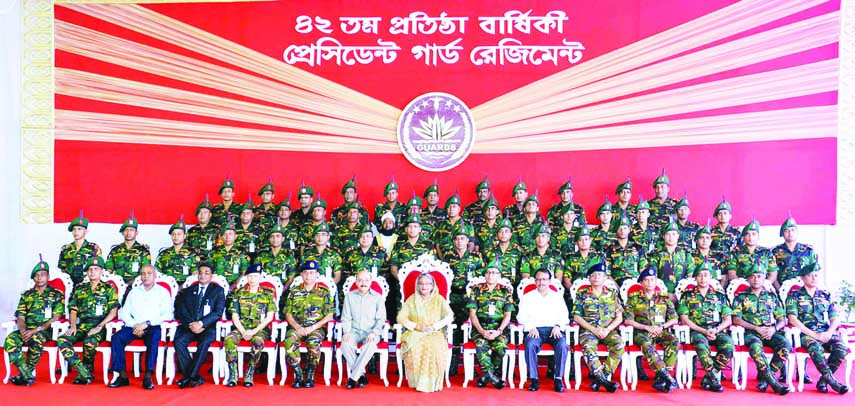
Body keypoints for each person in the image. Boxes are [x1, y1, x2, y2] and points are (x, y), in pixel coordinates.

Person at [785, 263, 849, 394]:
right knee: (815, 347)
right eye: (810, 275)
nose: (814, 278)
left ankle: (823, 381)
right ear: (802, 278)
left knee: (841, 348)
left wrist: (829, 332)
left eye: (816, 275)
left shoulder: (825, 295)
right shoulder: (794, 295)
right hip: (805, 333)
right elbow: (792, 319)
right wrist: (814, 335)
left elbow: (834, 317)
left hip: (824, 331)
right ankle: (833, 382)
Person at [108, 264, 173, 389]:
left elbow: (168, 315)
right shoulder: (134, 291)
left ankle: (148, 376)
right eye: (143, 273)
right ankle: (122, 376)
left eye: (149, 273)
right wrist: (135, 325)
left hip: (152, 326)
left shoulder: (162, 292)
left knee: (154, 338)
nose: (145, 276)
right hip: (134, 326)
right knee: (117, 338)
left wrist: (147, 323)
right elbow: (124, 312)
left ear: (154, 276)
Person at [57, 256, 119, 385]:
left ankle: (87, 368)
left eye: (96, 269)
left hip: (100, 326)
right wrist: (73, 326)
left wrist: (100, 326)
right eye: (90, 269)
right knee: (62, 340)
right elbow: (73, 310)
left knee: (89, 342)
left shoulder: (109, 289)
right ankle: (83, 370)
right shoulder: (80, 288)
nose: (93, 272)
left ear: (101, 271)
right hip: (82, 325)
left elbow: (113, 311)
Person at [731, 264, 791, 395]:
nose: (756, 279)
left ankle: (765, 379)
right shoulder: (740, 297)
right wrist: (756, 328)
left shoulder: (772, 296)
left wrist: (774, 329)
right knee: (756, 347)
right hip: (750, 333)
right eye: (752, 277)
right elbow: (736, 319)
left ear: (764, 278)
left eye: (759, 276)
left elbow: (782, 319)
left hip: (770, 332)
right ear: (748, 279)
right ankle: (773, 382)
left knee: (785, 345)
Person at [5, 259, 64, 386]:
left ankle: (24, 375)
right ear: (33, 278)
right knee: (10, 340)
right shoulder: (26, 295)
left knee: (36, 339)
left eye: (43, 274)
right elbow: (20, 317)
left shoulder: (56, 294)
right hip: (26, 329)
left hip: (45, 331)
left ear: (48, 276)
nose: (39, 278)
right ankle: (26, 373)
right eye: (36, 275)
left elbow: (56, 316)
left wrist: (35, 330)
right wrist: (22, 331)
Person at [677, 262, 733, 392]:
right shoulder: (687, 296)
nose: (703, 278)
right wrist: (703, 330)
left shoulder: (719, 296)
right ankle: (714, 379)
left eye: (706, 275)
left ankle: (708, 377)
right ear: (695, 278)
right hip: (697, 331)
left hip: (716, 330)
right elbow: (685, 319)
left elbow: (728, 319)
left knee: (729, 345)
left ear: (711, 278)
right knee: (702, 347)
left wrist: (716, 330)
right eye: (700, 275)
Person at [622, 266, 679, 392]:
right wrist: (647, 327)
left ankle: (663, 377)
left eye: (652, 280)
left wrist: (662, 327)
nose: (649, 283)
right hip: (641, 332)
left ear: (656, 281)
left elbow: (674, 318)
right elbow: (627, 320)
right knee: (646, 344)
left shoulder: (663, 298)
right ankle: (668, 377)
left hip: (660, 330)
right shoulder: (633, 298)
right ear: (641, 283)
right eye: (646, 280)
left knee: (674, 340)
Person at [397, 272, 454, 393]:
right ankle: (417, 382)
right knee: (416, 345)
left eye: (428, 283)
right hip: (415, 333)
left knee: (432, 345)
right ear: (417, 285)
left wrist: (434, 326)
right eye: (421, 283)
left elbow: (450, 316)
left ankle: (430, 383)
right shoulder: (412, 299)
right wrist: (416, 326)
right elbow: (400, 318)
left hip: (435, 333)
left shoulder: (439, 299)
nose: (424, 286)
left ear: (433, 285)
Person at [173, 262, 226, 389]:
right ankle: (195, 377)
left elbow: (218, 312)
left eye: (206, 272)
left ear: (211, 276)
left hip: (207, 327)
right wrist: (191, 324)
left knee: (204, 342)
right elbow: (180, 309)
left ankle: (188, 377)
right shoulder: (188, 291)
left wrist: (202, 323)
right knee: (178, 341)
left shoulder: (218, 291)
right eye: (200, 272)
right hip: (189, 326)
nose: (203, 275)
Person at [282, 260, 334, 388]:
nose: (308, 276)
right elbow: (288, 313)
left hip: (316, 328)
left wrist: (312, 327)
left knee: (313, 343)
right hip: (297, 327)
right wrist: (298, 327)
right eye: (306, 273)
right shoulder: (294, 291)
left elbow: (329, 315)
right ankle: (298, 375)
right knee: (289, 342)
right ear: (301, 275)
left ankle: (310, 375)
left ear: (317, 275)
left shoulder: (324, 291)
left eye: (312, 273)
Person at [573, 263, 624, 393]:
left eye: (599, 275)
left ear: (605, 277)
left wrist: (607, 329)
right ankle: (603, 380)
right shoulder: (582, 293)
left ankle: (600, 379)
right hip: (589, 330)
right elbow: (577, 317)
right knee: (588, 348)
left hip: (609, 330)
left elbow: (619, 317)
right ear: (589, 278)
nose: (596, 278)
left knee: (619, 345)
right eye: (593, 275)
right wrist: (594, 330)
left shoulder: (612, 294)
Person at [223, 264, 275, 387]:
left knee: (257, 342)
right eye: (250, 276)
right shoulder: (239, 293)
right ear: (246, 277)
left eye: (255, 276)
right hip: (241, 327)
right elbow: (234, 315)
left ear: (260, 277)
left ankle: (249, 373)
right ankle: (233, 374)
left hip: (260, 329)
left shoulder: (268, 293)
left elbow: (269, 317)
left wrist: (254, 331)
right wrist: (242, 331)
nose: (252, 279)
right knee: (229, 340)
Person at [517, 268, 569, 392]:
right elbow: (521, 316)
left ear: (549, 281)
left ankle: (558, 379)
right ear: (535, 281)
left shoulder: (557, 297)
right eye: (539, 279)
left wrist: (558, 326)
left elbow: (564, 316)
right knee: (529, 344)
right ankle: (534, 379)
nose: (541, 282)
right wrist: (530, 327)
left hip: (554, 330)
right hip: (535, 330)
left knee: (562, 345)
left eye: (544, 279)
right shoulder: (528, 297)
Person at [466, 261, 514, 389]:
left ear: (499, 275)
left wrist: (498, 331)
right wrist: (482, 331)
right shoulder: (476, 289)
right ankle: (493, 378)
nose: (490, 275)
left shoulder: (506, 291)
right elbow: (472, 313)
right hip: (480, 327)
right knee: (481, 344)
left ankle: (485, 376)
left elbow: (507, 315)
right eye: (488, 272)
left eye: (494, 272)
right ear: (485, 274)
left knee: (501, 345)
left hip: (499, 328)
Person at [340, 270, 387, 389]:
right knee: (345, 344)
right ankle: (361, 376)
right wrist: (346, 332)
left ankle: (352, 378)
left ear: (371, 282)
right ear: (356, 282)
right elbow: (346, 317)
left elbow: (381, 319)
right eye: (360, 280)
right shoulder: (349, 296)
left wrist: (375, 332)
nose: (363, 283)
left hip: (370, 332)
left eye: (366, 280)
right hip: (354, 331)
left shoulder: (377, 297)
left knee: (370, 346)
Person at [772, 214, 820, 289]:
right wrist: (779, 291)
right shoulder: (775, 251)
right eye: (786, 231)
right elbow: (772, 273)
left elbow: (814, 272)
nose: (790, 233)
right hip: (782, 289)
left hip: (804, 290)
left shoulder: (808, 251)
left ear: (797, 232)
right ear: (782, 234)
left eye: (792, 230)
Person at [106, 212, 152, 284]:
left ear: (136, 233)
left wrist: (132, 283)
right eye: (126, 230)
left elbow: (145, 271)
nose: (128, 233)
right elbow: (109, 269)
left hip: (137, 286)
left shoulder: (143, 251)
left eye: (131, 230)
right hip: (117, 286)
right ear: (122, 233)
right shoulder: (115, 250)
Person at [58, 211, 102, 285]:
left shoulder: (94, 249)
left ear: (86, 231)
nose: (76, 232)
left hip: (87, 285)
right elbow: (63, 269)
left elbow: (98, 268)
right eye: (74, 229)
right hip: (70, 285)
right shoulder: (66, 249)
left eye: (79, 229)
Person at [156, 215, 198, 286]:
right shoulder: (163, 254)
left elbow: (195, 275)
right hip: (167, 288)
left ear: (184, 236)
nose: (176, 237)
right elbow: (157, 273)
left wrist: (182, 287)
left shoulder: (192, 254)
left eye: (179, 234)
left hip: (186, 289)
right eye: (173, 234)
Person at [210, 217, 249, 288]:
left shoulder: (242, 251)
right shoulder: (214, 251)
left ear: (235, 236)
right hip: (216, 286)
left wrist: (236, 284)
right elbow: (209, 270)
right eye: (225, 234)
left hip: (236, 286)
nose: (228, 237)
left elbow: (244, 271)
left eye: (230, 234)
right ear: (221, 237)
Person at [185, 195, 219, 260]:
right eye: (200, 212)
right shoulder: (191, 231)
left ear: (210, 215)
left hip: (211, 265)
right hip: (194, 265)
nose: (202, 215)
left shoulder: (217, 230)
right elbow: (186, 249)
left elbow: (221, 249)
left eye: (205, 212)